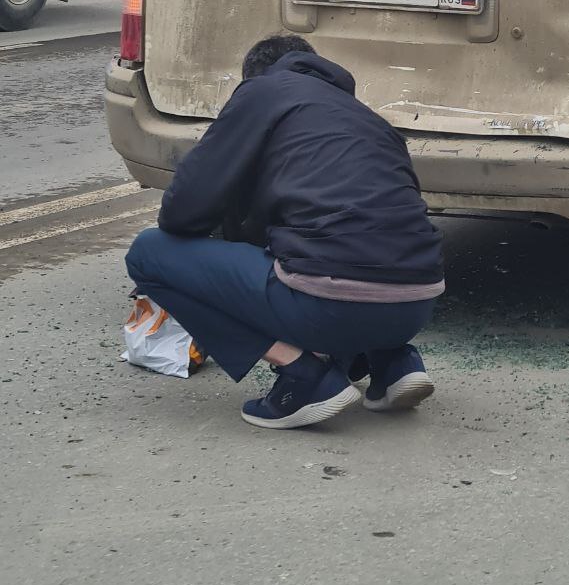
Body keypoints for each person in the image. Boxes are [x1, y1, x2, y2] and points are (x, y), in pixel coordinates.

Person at [125, 35, 444, 430]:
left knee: (148, 254)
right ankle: (394, 362)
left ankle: (304, 377)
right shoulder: (367, 118)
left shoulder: (262, 93)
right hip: (417, 304)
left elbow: (182, 211)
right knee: (343, 251)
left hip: (330, 304)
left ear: (253, 77)